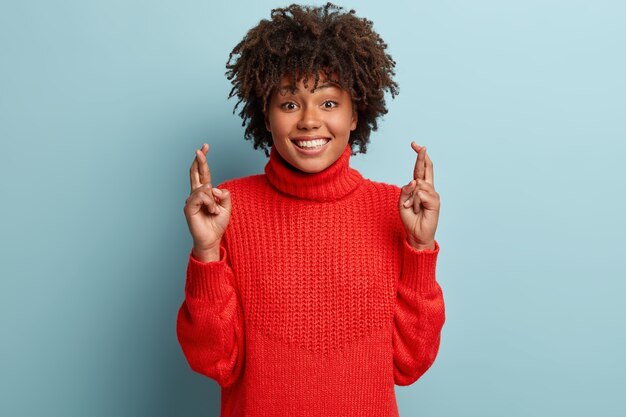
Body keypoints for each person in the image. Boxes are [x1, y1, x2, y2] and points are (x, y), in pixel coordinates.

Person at [176, 3, 445, 416]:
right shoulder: (227, 209)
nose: (308, 120)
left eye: (329, 103)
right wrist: (207, 254)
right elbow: (216, 362)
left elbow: (409, 364)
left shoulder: (394, 209)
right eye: (289, 104)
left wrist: (421, 249)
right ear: (266, 116)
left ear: (356, 113)